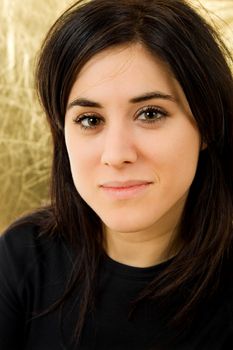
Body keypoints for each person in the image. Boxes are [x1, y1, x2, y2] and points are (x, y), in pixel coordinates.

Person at [0, 0, 233, 349]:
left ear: (207, 123)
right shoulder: (22, 259)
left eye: (150, 114)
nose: (116, 155)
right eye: (90, 120)